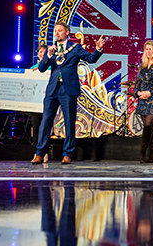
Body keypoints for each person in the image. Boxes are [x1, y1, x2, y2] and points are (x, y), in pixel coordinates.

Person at [31, 23, 104, 164]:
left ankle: (68, 154)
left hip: (68, 89)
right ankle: (40, 153)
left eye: (60, 31)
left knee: (69, 121)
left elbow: (91, 58)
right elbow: (41, 68)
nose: (57, 33)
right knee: (46, 121)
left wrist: (98, 49)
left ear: (67, 32)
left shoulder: (75, 48)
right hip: (53, 89)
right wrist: (48, 55)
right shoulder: (51, 49)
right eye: (55, 31)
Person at [30, 45, 48, 160]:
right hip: (35, 104)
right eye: (40, 52)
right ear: (37, 54)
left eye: (44, 52)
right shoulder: (33, 68)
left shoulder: (51, 67)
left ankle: (44, 152)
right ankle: (37, 153)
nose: (42, 54)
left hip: (47, 103)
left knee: (45, 128)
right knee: (36, 128)